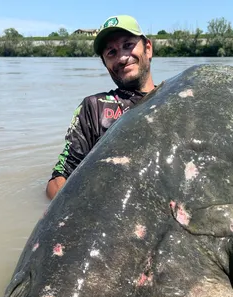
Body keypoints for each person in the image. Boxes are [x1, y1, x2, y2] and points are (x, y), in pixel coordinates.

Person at [46, 15, 155, 200]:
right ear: (106, 64)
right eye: (111, 53)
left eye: (128, 45)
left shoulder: (176, 99)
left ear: (148, 48)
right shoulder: (93, 108)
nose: (121, 57)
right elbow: (58, 179)